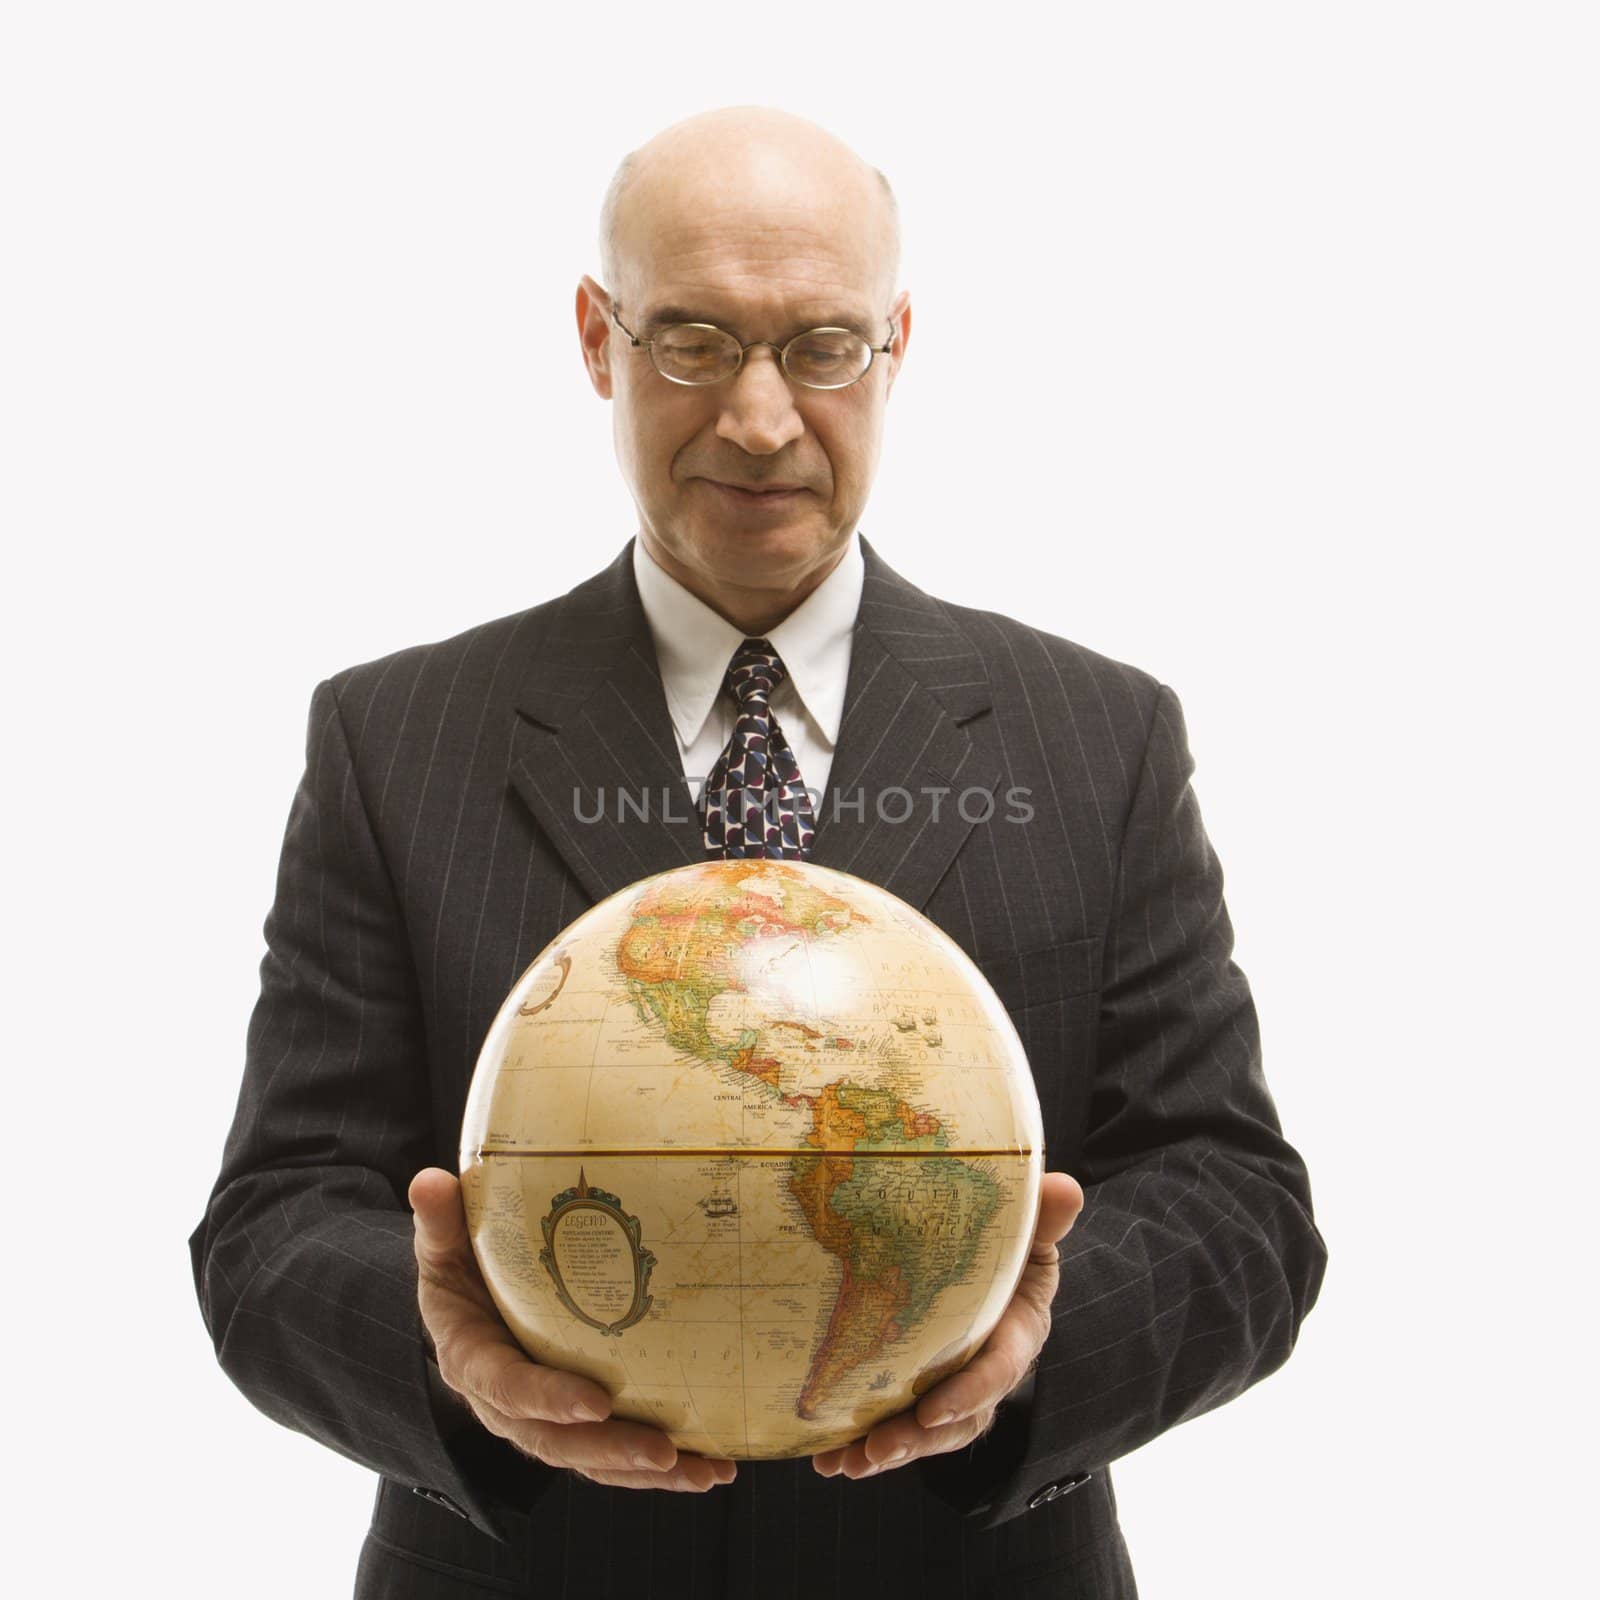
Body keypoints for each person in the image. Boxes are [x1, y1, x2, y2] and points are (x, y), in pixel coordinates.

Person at [191, 106, 1327, 1598]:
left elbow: (1238, 1201)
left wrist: (1030, 1355)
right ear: (597, 339)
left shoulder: (1095, 736)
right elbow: (271, 1224)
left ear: (896, 344)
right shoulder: (396, 739)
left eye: (822, 347)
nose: (760, 415)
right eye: (695, 340)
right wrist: (448, 1358)